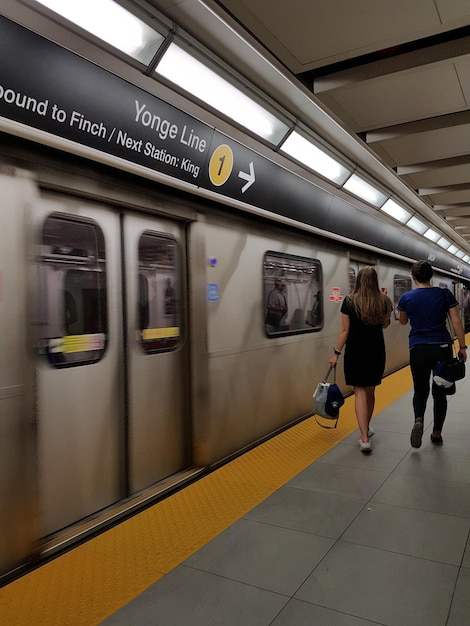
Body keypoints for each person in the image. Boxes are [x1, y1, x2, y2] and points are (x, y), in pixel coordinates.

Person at [397, 260, 467, 448]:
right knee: (440, 392)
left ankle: (419, 419)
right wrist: (462, 347)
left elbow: (403, 322)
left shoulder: (406, 297)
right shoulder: (444, 294)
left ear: (413, 277)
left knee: (420, 390)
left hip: (418, 349)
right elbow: (457, 322)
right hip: (441, 348)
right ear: (431, 276)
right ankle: (436, 433)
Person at [330, 266, 393, 454]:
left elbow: (345, 331)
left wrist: (336, 353)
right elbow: (385, 324)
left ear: (358, 280)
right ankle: (367, 427)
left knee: (359, 393)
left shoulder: (349, 301)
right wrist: (385, 303)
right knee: (370, 391)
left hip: (355, 352)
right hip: (376, 351)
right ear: (375, 281)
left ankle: (364, 438)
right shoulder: (384, 300)